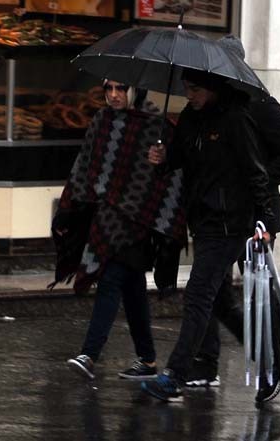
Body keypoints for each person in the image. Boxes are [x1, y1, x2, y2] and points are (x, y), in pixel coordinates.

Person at [184, 35, 280, 403]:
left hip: (255, 214)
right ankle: (273, 360)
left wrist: (247, 184)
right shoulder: (212, 110)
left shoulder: (259, 104)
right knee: (216, 298)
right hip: (216, 216)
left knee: (260, 292)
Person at [140, 67, 278, 403]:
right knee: (222, 304)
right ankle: (276, 362)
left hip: (230, 223)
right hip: (202, 220)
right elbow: (179, 159)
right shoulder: (191, 117)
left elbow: (256, 172)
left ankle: (176, 373)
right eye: (187, 89)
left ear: (213, 88)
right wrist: (161, 158)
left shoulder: (235, 118)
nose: (191, 95)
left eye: (196, 89)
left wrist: (266, 222)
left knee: (198, 295)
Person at [52, 79, 186, 381]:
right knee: (132, 288)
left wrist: (164, 158)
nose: (113, 95)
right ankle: (148, 360)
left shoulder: (157, 126)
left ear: (135, 90)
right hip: (107, 216)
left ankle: (90, 354)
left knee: (111, 278)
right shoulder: (102, 120)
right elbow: (85, 164)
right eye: (108, 88)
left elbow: (170, 178)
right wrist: (68, 207)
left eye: (120, 88)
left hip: (141, 220)